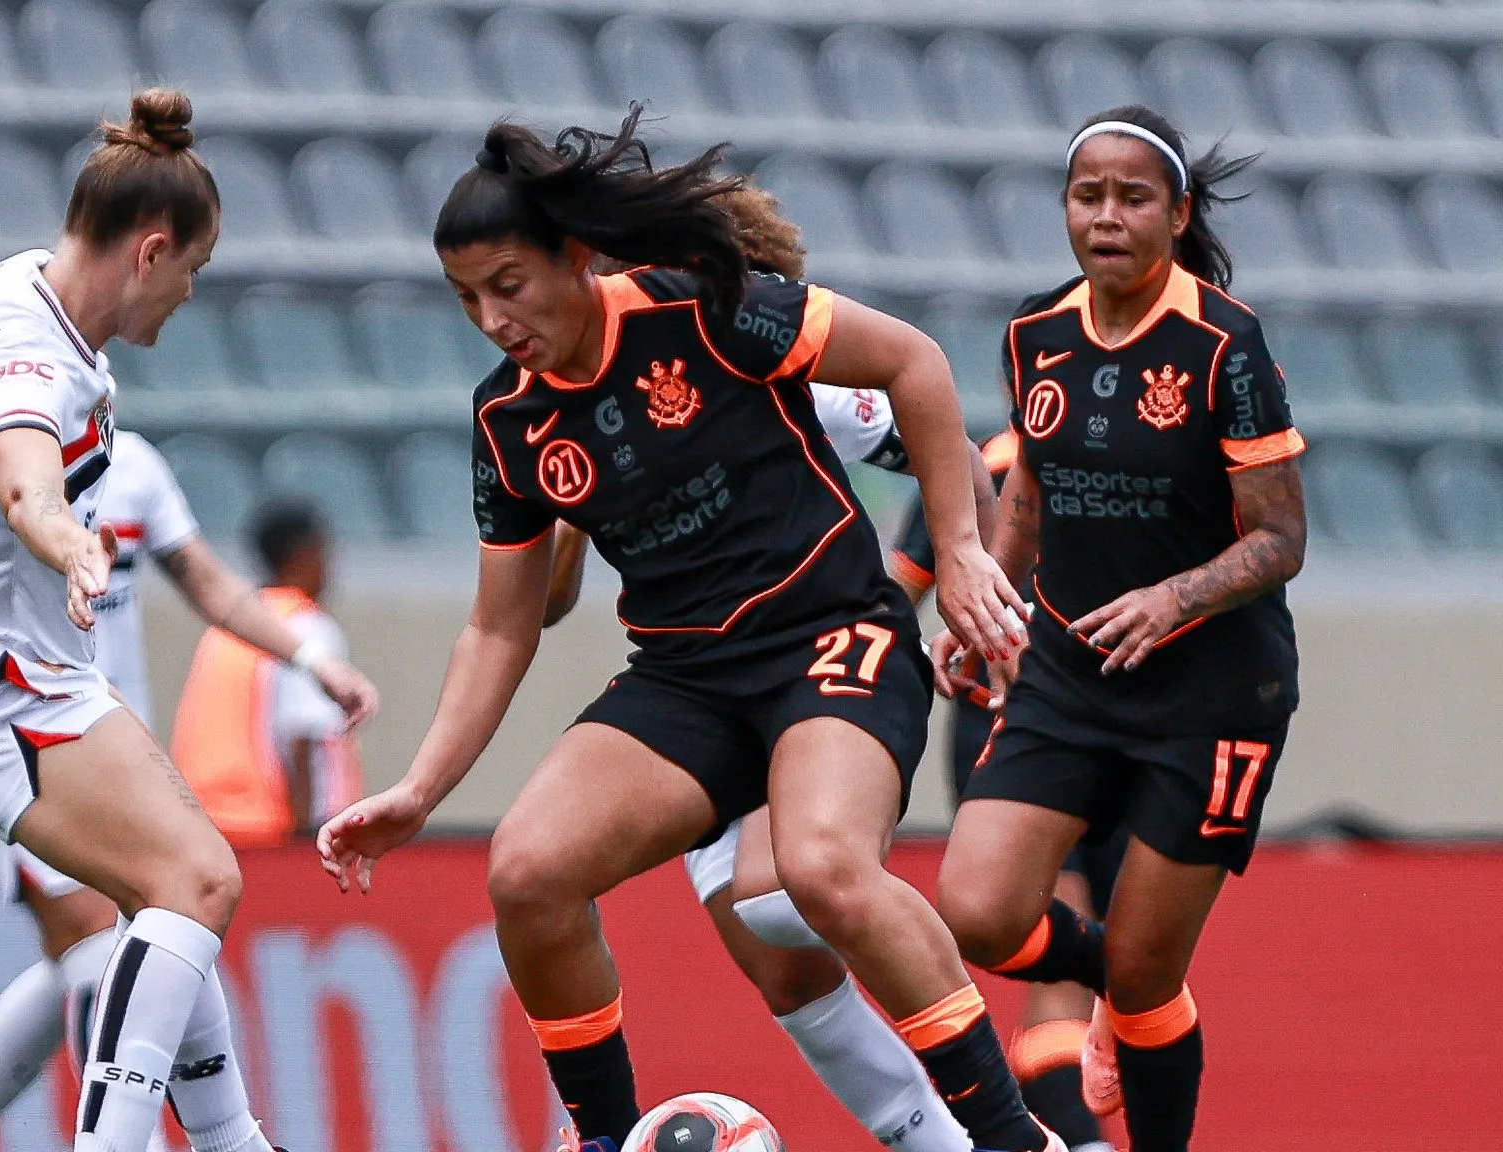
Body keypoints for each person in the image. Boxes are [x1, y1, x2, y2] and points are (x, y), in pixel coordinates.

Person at [318, 108, 1061, 1152]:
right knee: (527, 872)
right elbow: (501, 629)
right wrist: (417, 789)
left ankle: (1008, 1141)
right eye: (465, 299)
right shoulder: (510, 424)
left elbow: (914, 366)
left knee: (818, 870)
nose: (490, 318)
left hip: (829, 638)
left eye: (507, 285)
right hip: (685, 680)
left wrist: (964, 553)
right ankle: (606, 1141)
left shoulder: (703, 311)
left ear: (573, 258)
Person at [0, 87, 376, 1152]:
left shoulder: (15, 289)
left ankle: (230, 1141)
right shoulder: (31, 368)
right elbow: (22, 478)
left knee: (174, 888)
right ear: (149, 251)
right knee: (187, 883)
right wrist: (64, 539)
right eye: (192, 269)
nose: (189, 296)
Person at [534, 183, 976, 1152]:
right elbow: (544, 603)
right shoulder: (569, 409)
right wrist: (567, 508)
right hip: (704, 697)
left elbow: (970, 461)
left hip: (817, 675)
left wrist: (944, 578)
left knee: (788, 892)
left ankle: (1004, 1135)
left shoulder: (769, 361)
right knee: (781, 965)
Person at [932, 106, 1307, 1152]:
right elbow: (1030, 498)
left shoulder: (1222, 345)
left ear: (1176, 214)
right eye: (1085, 195)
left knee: (1149, 975)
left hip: (1211, 694)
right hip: (1066, 672)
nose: (1106, 217)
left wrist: (1174, 596)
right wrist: (987, 606)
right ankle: (1107, 987)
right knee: (971, 911)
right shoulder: (1032, 334)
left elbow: (1280, 540)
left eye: (1131, 197)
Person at [0, 429, 304, 1152]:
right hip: (16, 740)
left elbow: (205, 577)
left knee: (125, 932)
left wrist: (311, 656)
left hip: (113, 749)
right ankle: (135, 1139)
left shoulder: (133, 467)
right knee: (107, 935)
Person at [890, 431, 1123, 1152]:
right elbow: (897, 591)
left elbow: (896, 592)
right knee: (1069, 943)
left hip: (1110, 734)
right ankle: (1080, 1142)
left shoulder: (1157, 456)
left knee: (1117, 957)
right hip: (1031, 731)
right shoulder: (986, 465)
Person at [173, 497, 363, 846]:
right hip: (271, 830)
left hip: (209, 826)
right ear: (304, 553)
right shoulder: (304, 624)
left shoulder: (233, 626)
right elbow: (302, 738)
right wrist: (307, 841)